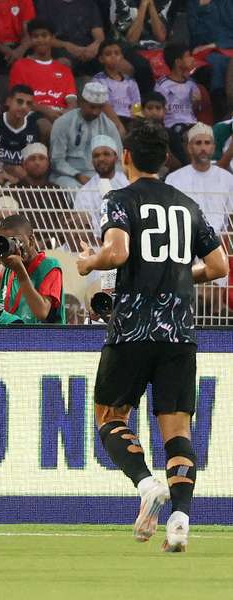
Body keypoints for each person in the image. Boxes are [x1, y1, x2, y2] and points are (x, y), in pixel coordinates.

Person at [75, 119, 228, 552]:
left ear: (126, 158)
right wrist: (182, 274)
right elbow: (219, 267)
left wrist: (88, 264)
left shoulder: (119, 199)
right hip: (179, 331)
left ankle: (145, 484)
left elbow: (118, 252)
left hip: (133, 328)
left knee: (110, 417)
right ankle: (180, 518)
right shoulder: (186, 204)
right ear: (165, 160)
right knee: (177, 429)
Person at [49, 81, 123, 189]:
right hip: (68, 176)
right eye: (92, 107)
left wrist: (107, 179)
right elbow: (56, 160)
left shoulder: (109, 126)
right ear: (81, 102)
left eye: (100, 107)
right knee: (74, 190)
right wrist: (77, 175)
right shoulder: (63, 122)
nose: (96, 112)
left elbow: (117, 160)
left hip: (101, 177)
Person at [0, 213, 65, 323]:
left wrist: (20, 271)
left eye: (15, 241)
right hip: (11, 336)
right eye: (4, 242)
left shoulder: (50, 266)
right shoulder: (5, 268)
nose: (10, 247)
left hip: (44, 338)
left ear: (31, 241)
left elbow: (42, 313)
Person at [166, 123, 233, 239]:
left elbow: (231, 219)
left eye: (207, 143)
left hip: (219, 243)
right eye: (198, 143)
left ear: (213, 147)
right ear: (189, 148)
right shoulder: (174, 179)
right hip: (186, 242)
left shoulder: (227, 178)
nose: (203, 148)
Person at [8, 18, 77, 122]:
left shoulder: (64, 69)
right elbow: (19, 100)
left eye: (44, 35)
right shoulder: (20, 66)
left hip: (61, 117)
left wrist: (65, 114)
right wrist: (45, 110)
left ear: (52, 38)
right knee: (44, 124)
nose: (40, 40)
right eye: (36, 36)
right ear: (30, 39)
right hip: (33, 115)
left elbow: (72, 102)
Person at [74, 135, 129, 237]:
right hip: (96, 245)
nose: (101, 159)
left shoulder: (128, 183)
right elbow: (85, 227)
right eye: (96, 155)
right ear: (92, 160)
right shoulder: (84, 192)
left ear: (116, 157)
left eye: (106, 154)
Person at [156, 44, 201, 166]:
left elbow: (194, 110)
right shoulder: (163, 84)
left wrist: (196, 102)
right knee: (189, 137)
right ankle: (189, 167)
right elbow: (159, 109)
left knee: (207, 134)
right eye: (188, 56)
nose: (192, 59)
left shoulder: (191, 83)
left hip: (192, 123)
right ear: (178, 62)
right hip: (174, 125)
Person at [33, 0, 104, 75]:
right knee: (63, 62)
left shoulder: (89, 3)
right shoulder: (45, 4)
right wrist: (67, 46)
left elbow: (99, 34)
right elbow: (44, 38)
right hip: (60, 49)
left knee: (108, 57)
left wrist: (96, 44)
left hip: (87, 50)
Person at [0, 84, 42, 181]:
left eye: (28, 104)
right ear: (8, 102)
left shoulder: (33, 127)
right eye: (19, 102)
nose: (24, 107)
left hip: (23, 179)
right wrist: (9, 169)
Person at [93, 39, 140, 137]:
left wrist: (135, 123)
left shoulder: (131, 81)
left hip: (129, 119)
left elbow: (136, 104)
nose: (113, 56)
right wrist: (118, 125)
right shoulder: (98, 80)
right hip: (109, 119)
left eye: (117, 53)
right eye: (108, 54)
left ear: (122, 57)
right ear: (101, 59)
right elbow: (104, 105)